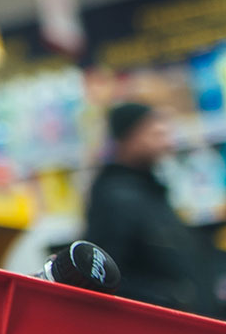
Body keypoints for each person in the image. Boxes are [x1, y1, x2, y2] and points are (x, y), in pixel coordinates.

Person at [83, 103, 208, 312]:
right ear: (129, 137)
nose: (166, 142)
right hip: (153, 320)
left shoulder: (148, 188)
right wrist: (167, 299)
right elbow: (106, 271)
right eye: (154, 133)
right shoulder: (116, 197)